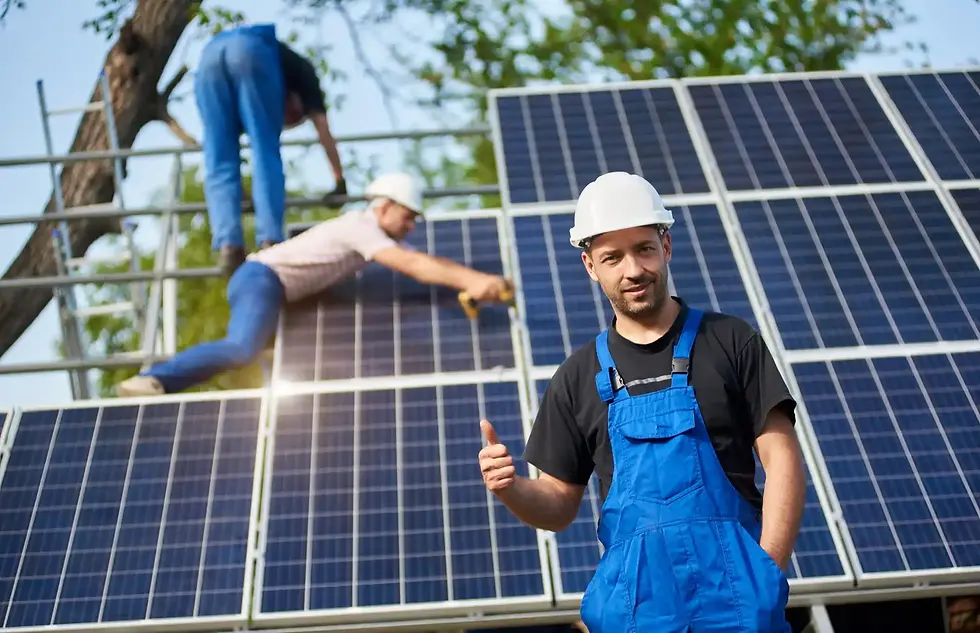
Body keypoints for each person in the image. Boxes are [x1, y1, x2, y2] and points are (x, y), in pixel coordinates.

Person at [477, 172, 807, 632]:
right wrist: (511, 487)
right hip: (635, 615)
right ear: (591, 266)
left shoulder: (730, 341)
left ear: (666, 247)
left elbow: (783, 459)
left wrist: (766, 576)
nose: (633, 270)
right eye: (612, 257)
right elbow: (556, 505)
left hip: (737, 605)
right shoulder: (576, 377)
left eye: (644, 249)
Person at [115, 172, 511, 397]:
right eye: (407, 217)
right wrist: (475, 280)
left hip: (273, 288)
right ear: (384, 206)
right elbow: (413, 264)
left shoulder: (368, 232)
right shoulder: (363, 227)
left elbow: (422, 260)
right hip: (261, 279)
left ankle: (160, 377)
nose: (410, 227)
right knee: (242, 348)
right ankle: (154, 379)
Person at [194, 22, 347, 276]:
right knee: (265, 149)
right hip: (252, 51)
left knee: (218, 154)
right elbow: (322, 126)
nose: (289, 119)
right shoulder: (303, 72)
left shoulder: (279, 72)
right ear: (294, 97)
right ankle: (270, 241)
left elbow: (225, 158)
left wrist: (236, 195)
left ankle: (229, 246)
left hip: (209, 55)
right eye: (295, 116)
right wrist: (339, 179)